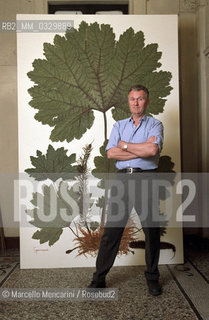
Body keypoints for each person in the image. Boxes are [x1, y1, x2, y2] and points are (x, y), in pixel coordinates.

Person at [88, 85, 164, 296]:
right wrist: (137, 150)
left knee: (151, 230)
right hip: (122, 180)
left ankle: (152, 278)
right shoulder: (119, 125)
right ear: (128, 101)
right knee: (112, 231)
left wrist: (124, 146)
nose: (136, 103)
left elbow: (152, 150)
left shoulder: (155, 124)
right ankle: (98, 279)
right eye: (132, 99)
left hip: (146, 178)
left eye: (140, 99)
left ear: (146, 102)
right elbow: (111, 154)